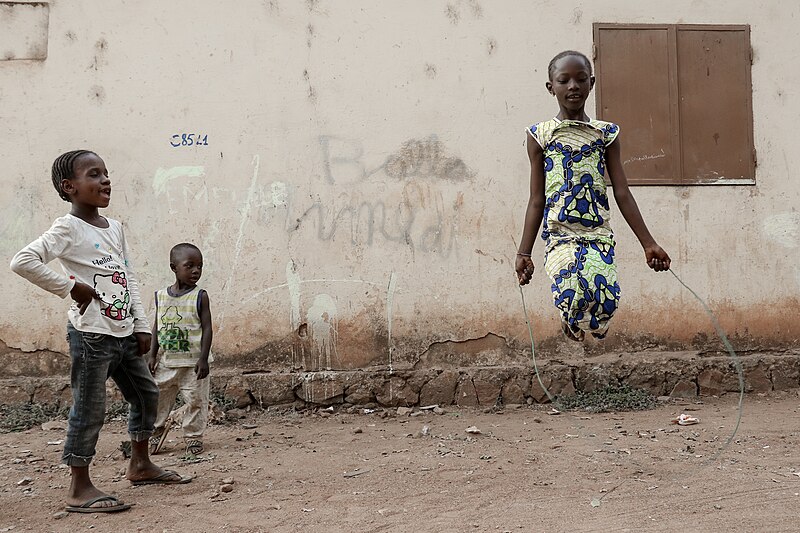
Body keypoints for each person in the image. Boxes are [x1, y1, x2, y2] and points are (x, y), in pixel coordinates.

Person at [10, 150, 191, 514]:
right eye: (94, 174)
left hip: (123, 332)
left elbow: (128, 277)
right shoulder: (67, 228)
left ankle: (140, 464)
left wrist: (141, 325)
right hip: (91, 335)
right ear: (69, 187)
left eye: (106, 173)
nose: (105, 180)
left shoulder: (115, 228)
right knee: (89, 408)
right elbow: (22, 261)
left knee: (146, 395)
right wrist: (69, 287)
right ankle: (79, 486)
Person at [515, 51, 671, 341]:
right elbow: (536, 198)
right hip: (560, 234)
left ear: (592, 83)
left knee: (606, 300)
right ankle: (571, 321)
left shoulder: (605, 134)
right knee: (572, 295)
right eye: (564, 80)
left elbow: (622, 191)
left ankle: (587, 324)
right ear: (551, 87)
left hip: (597, 233)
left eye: (581, 79)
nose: (573, 86)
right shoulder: (540, 135)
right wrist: (524, 252)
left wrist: (648, 243)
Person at [147, 243, 213, 456]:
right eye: (190, 266)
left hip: (193, 365)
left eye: (200, 266)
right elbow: (157, 326)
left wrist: (203, 359)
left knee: (195, 401)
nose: (196, 271)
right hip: (167, 363)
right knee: (158, 399)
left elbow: (207, 328)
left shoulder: (200, 296)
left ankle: (193, 437)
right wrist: (152, 354)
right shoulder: (161, 296)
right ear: (174, 267)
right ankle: (154, 433)